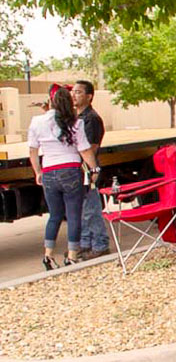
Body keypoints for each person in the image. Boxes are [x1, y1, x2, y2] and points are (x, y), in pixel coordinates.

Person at [28, 86, 101, 270]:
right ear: (68, 103)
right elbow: (84, 150)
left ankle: (48, 255)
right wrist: (94, 169)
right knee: (74, 215)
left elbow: (33, 149)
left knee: (54, 216)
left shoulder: (37, 121)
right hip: (70, 171)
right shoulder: (75, 123)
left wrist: (38, 172)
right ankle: (72, 255)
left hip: (49, 171)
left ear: (50, 101)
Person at [72, 80, 110, 259]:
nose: (74, 95)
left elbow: (91, 148)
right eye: (73, 91)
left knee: (91, 209)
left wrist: (90, 170)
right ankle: (85, 244)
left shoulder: (91, 119)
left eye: (78, 92)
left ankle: (100, 244)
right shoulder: (76, 117)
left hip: (87, 169)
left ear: (89, 96)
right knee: (81, 210)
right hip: (77, 169)